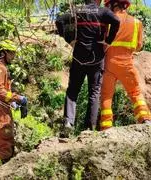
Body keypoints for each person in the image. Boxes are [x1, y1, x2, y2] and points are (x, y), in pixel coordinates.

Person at [56, 0, 120, 135]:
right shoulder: (103, 12)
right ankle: (89, 128)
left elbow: (60, 20)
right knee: (94, 92)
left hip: (79, 55)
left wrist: (69, 39)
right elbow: (116, 21)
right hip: (96, 56)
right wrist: (108, 41)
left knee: (73, 91)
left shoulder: (77, 10)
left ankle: (68, 123)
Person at [100, 0, 151, 130]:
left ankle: (106, 127)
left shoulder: (107, 22)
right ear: (125, 5)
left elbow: (102, 43)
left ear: (113, 5)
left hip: (108, 64)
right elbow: (138, 46)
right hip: (126, 64)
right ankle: (145, 119)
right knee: (135, 92)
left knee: (106, 96)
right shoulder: (137, 23)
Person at [0, 40, 28, 172]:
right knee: (6, 149)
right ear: (3, 53)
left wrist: (10, 101)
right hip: (0, 114)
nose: (13, 57)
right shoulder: (1, 68)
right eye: (11, 53)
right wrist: (19, 98)